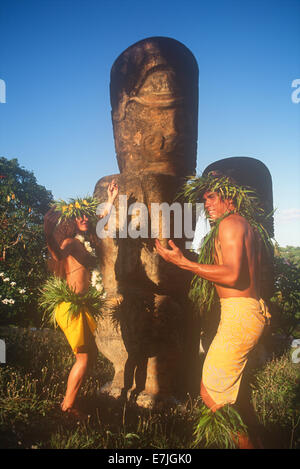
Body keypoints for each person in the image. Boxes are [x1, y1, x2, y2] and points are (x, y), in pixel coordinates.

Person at [155, 171, 272, 448]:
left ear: (229, 197)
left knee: (210, 394)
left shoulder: (229, 224)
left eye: (211, 197)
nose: (206, 204)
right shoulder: (243, 224)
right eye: (204, 198)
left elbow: (232, 275)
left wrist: (184, 263)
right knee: (231, 396)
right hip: (243, 312)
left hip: (240, 316)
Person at [43, 180, 118, 420]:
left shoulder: (87, 240)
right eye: (80, 217)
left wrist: (111, 198)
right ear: (72, 221)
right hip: (71, 306)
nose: (84, 220)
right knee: (84, 359)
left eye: (87, 217)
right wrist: (48, 234)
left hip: (83, 306)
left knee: (89, 357)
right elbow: (57, 251)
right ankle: (67, 406)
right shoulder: (71, 242)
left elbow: (102, 222)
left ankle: (70, 402)